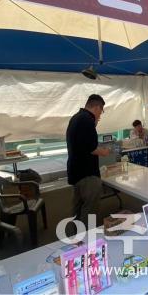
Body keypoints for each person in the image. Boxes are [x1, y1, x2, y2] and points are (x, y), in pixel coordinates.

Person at [66, 94, 110, 230]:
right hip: (88, 174)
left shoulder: (76, 118)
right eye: (101, 111)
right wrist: (104, 151)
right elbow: (91, 147)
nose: (100, 115)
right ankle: (86, 240)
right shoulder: (87, 120)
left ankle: (73, 236)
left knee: (78, 207)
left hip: (76, 171)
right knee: (89, 209)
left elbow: (82, 144)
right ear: (97, 107)